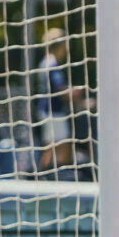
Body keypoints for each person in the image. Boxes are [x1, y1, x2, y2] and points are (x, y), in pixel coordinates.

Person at [35, 28, 85, 173]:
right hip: (53, 111)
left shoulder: (45, 62)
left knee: (51, 144)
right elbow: (59, 88)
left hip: (46, 109)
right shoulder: (52, 64)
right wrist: (75, 92)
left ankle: (44, 173)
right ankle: (61, 173)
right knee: (63, 143)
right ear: (60, 45)